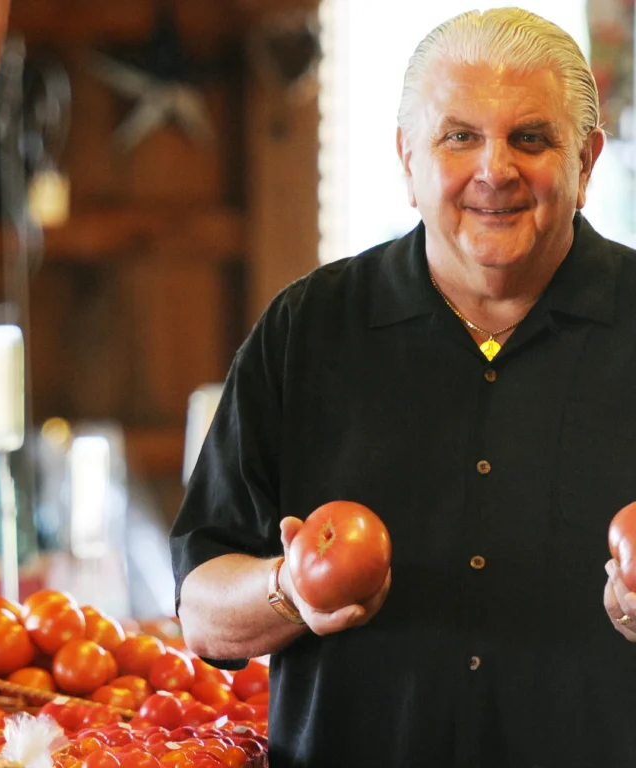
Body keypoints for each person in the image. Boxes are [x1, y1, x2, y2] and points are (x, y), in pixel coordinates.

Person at [170, 7, 636, 767]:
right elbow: (201, 611)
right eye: (460, 136)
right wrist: (291, 590)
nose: (495, 170)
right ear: (407, 159)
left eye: (531, 137)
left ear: (585, 165)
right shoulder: (307, 329)